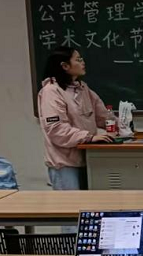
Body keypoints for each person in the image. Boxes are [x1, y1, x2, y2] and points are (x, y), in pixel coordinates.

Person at [37, 47, 114, 190]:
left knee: (90, 202)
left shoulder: (82, 88)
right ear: (65, 66)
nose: (83, 62)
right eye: (78, 60)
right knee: (71, 204)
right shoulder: (51, 91)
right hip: (65, 164)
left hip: (87, 159)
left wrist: (123, 128)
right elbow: (57, 130)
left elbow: (103, 116)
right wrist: (89, 137)